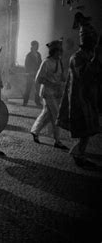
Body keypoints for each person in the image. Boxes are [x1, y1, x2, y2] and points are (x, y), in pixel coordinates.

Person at [57, 15, 101, 167]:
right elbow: (84, 75)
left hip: (88, 97)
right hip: (79, 99)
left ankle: (79, 153)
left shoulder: (89, 55)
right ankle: (77, 154)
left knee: (88, 131)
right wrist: (96, 59)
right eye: (91, 38)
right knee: (84, 130)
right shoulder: (77, 57)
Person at [29, 39, 68, 150]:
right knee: (56, 115)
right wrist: (52, 84)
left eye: (61, 51)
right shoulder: (46, 62)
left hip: (57, 93)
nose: (60, 53)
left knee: (47, 114)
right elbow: (39, 78)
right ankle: (57, 140)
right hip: (48, 92)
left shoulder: (59, 62)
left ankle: (35, 131)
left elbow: (62, 77)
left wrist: (65, 79)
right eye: (58, 51)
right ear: (53, 51)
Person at [23, 40, 42, 106]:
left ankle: (37, 102)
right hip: (30, 74)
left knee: (37, 89)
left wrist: (39, 71)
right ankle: (25, 102)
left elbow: (40, 64)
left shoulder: (39, 54)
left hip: (37, 74)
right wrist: (29, 72)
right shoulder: (29, 55)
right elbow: (26, 64)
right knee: (28, 88)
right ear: (33, 46)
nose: (37, 47)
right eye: (36, 45)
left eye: (38, 46)